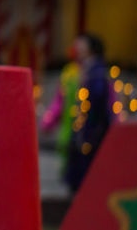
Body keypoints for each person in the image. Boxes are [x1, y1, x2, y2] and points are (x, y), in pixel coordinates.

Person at [43, 32, 114, 194]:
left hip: (90, 133)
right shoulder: (74, 72)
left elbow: (104, 105)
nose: (77, 47)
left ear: (91, 48)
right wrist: (50, 121)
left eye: (81, 44)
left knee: (87, 179)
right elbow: (60, 101)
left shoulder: (97, 74)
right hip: (75, 130)